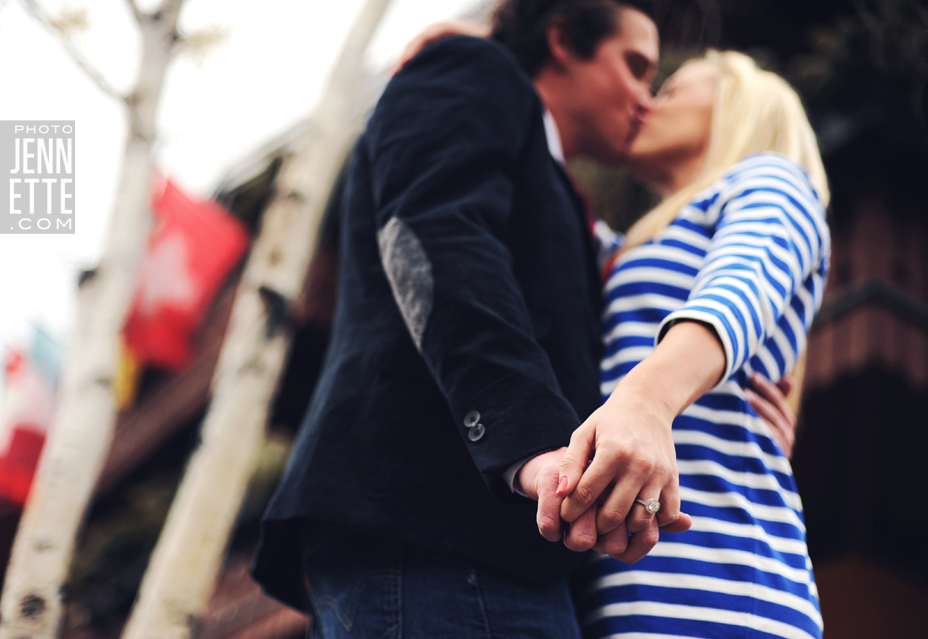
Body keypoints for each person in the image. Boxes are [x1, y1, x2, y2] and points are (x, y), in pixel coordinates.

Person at [253, 2, 799, 637]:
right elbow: (437, 241)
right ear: (563, 38)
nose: (644, 98)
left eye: (663, 84)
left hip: (518, 550)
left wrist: (726, 419)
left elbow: (724, 294)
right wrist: (535, 448)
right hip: (445, 524)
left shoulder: (581, 208)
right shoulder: (472, 71)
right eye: (637, 68)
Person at [564, 51, 829, 638]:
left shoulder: (770, 179)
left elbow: (737, 290)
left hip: (723, 583)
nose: (648, 103)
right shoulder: (630, 247)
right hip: (615, 591)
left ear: (739, 105)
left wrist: (647, 402)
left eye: (673, 88)